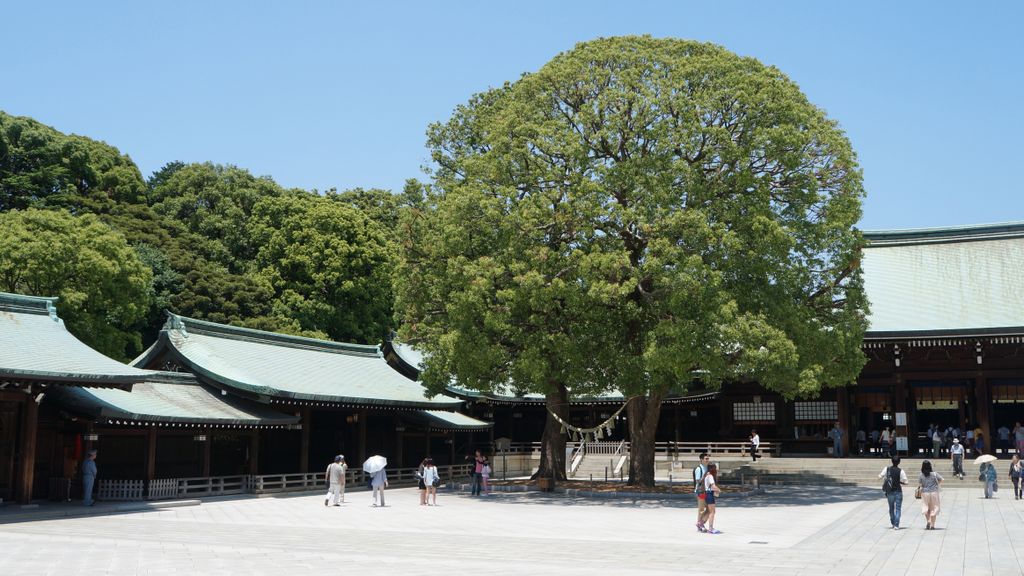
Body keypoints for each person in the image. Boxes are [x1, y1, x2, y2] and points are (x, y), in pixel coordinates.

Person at [878, 455, 908, 529]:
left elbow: (879, 476)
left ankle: (893, 522)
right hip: (898, 491)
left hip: (890, 492)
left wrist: (885, 478)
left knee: (891, 508)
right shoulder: (901, 471)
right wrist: (901, 482)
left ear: (891, 461)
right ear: (899, 462)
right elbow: (906, 482)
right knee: (898, 508)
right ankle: (896, 525)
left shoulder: (887, 469)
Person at [918, 460, 943, 530]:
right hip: (934, 492)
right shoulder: (934, 474)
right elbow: (941, 480)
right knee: (934, 507)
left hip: (925, 492)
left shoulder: (921, 475)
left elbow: (920, 485)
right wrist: (936, 484)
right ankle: (932, 525)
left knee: (925, 507)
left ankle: (928, 521)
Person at [700, 463, 722, 535]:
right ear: (713, 469)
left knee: (709, 511)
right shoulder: (710, 476)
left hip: (707, 494)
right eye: (715, 468)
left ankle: (700, 523)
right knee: (712, 512)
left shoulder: (707, 475)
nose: (716, 470)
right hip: (709, 494)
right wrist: (719, 490)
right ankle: (710, 528)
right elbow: (713, 487)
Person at [693, 453, 710, 533]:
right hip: (700, 491)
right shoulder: (699, 469)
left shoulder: (707, 468)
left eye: (708, 459)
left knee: (710, 509)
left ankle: (700, 523)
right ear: (701, 460)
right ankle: (700, 526)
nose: (707, 460)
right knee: (701, 509)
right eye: (706, 459)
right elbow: (698, 481)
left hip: (707, 491)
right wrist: (705, 476)